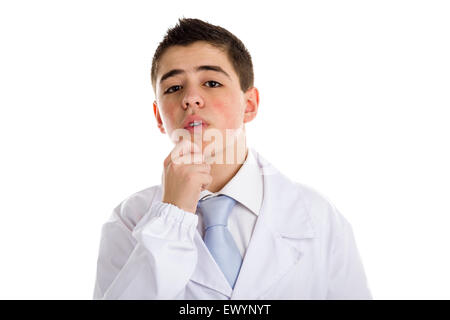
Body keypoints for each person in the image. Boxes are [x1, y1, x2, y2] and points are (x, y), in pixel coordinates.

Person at [93, 17, 372, 300]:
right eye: (174, 88)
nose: (190, 98)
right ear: (158, 117)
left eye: (211, 82)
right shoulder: (129, 221)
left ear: (249, 105)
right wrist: (171, 217)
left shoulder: (319, 217)